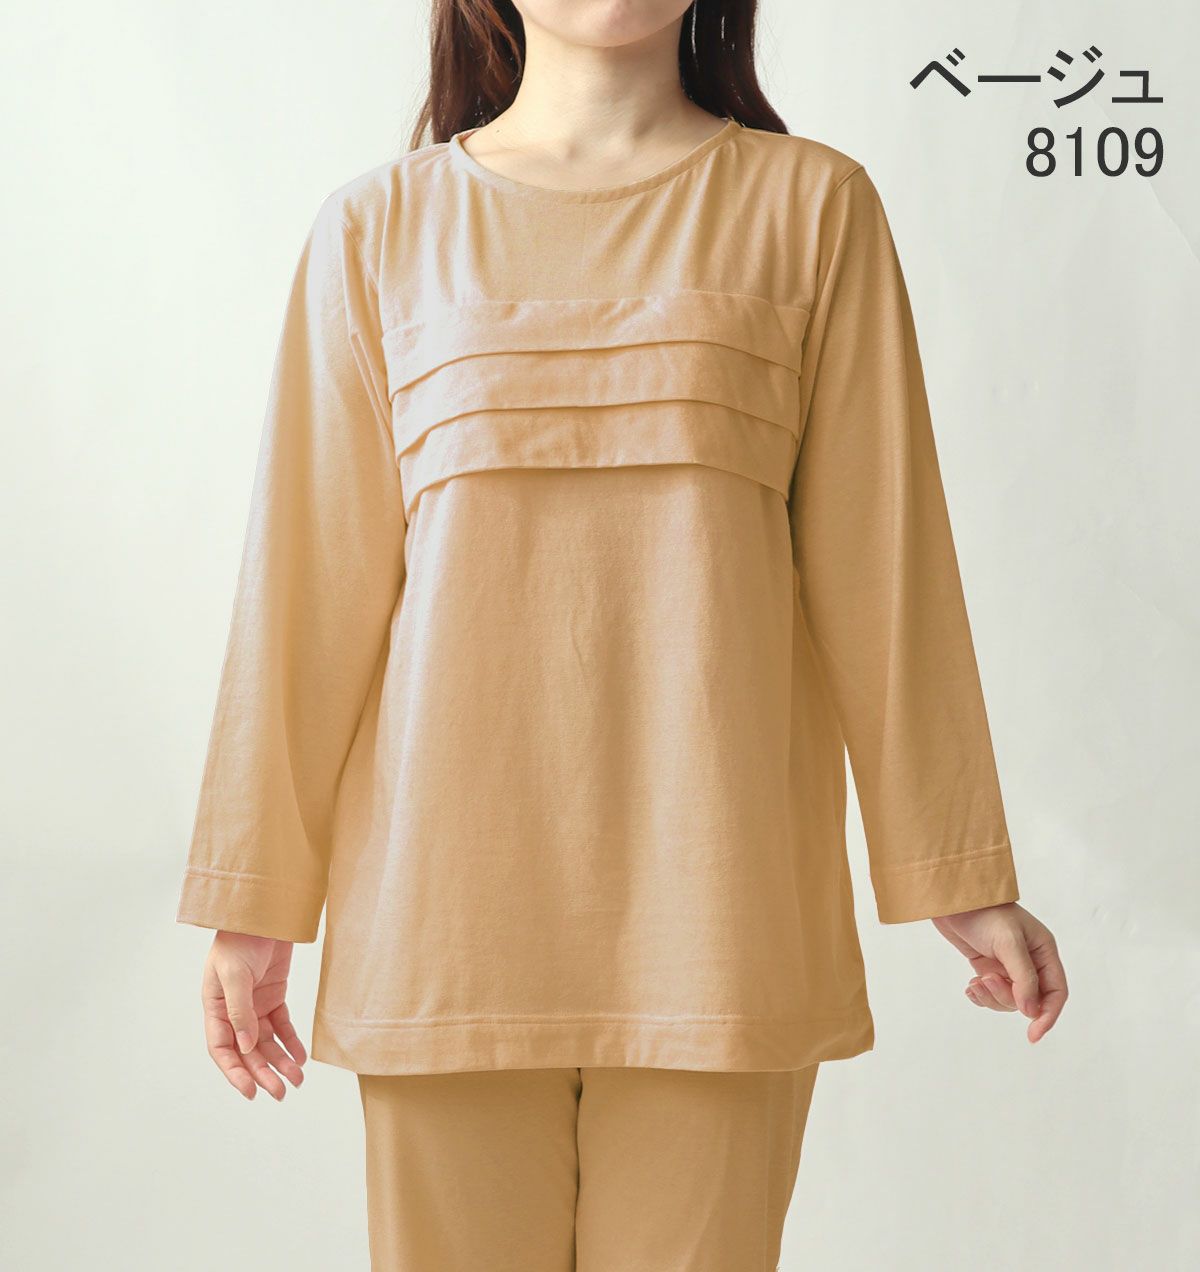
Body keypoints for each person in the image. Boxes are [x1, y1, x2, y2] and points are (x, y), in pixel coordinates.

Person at [177, 1, 1069, 1267]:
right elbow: (304, 590)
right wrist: (252, 899)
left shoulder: (813, 210)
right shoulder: (378, 228)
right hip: (441, 926)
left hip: (719, 917)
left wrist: (958, 872)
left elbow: (888, 567)